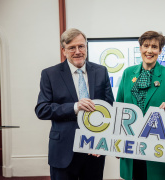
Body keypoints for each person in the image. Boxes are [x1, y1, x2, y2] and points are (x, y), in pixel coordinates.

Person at [35, 28, 114, 180]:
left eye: (81, 46)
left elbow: (109, 108)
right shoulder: (50, 74)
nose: (78, 51)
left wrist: (103, 139)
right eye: (72, 48)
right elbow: (42, 109)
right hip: (63, 150)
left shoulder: (101, 71)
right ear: (63, 50)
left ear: (86, 47)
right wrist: (75, 107)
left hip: (93, 149)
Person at [116, 31, 165, 180]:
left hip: (160, 152)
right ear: (140, 48)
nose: (149, 50)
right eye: (146, 46)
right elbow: (118, 110)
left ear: (160, 51)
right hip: (132, 149)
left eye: (154, 47)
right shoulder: (128, 74)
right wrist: (115, 143)